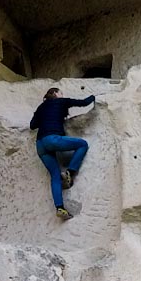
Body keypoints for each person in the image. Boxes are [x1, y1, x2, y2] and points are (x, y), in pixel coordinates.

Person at [28, 86, 96, 219]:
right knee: (82, 144)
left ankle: (60, 208)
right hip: (52, 139)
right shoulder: (61, 101)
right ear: (55, 93)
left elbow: (32, 125)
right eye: (61, 93)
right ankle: (70, 172)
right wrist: (94, 97)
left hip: (40, 145)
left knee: (54, 175)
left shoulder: (41, 107)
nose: (62, 94)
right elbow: (83, 103)